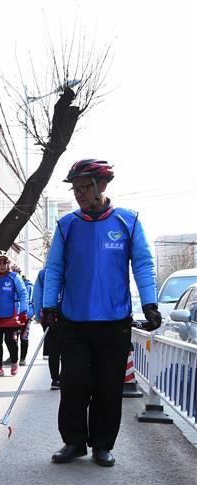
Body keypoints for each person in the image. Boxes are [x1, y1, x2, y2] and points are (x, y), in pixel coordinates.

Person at [43, 159, 161, 467]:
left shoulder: (127, 221)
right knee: (74, 383)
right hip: (74, 321)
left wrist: (149, 302)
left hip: (114, 322)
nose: (79, 194)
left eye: (85, 188)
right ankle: (73, 442)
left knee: (108, 387)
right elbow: (54, 268)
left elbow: (144, 265)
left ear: (102, 186)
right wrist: (48, 305)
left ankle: (101, 445)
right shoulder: (67, 225)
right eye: (76, 189)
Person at [32, 267, 61, 389]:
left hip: (50, 314)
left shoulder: (44, 273)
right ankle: (60, 378)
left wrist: (39, 315)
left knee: (54, 349)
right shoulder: (43, 274)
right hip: (61, 314)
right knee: (67, 348)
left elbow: (37, 295)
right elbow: (37, 295)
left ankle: (56, 379)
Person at [13, 266, 35, 364]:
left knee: (24, 336)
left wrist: (29, 315)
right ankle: (13, 357)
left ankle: (23, 358)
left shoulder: (28, 285)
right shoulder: (11, 284)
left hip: (25, 314)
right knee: (13, 337)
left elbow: (31, 301)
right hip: (13, 314)